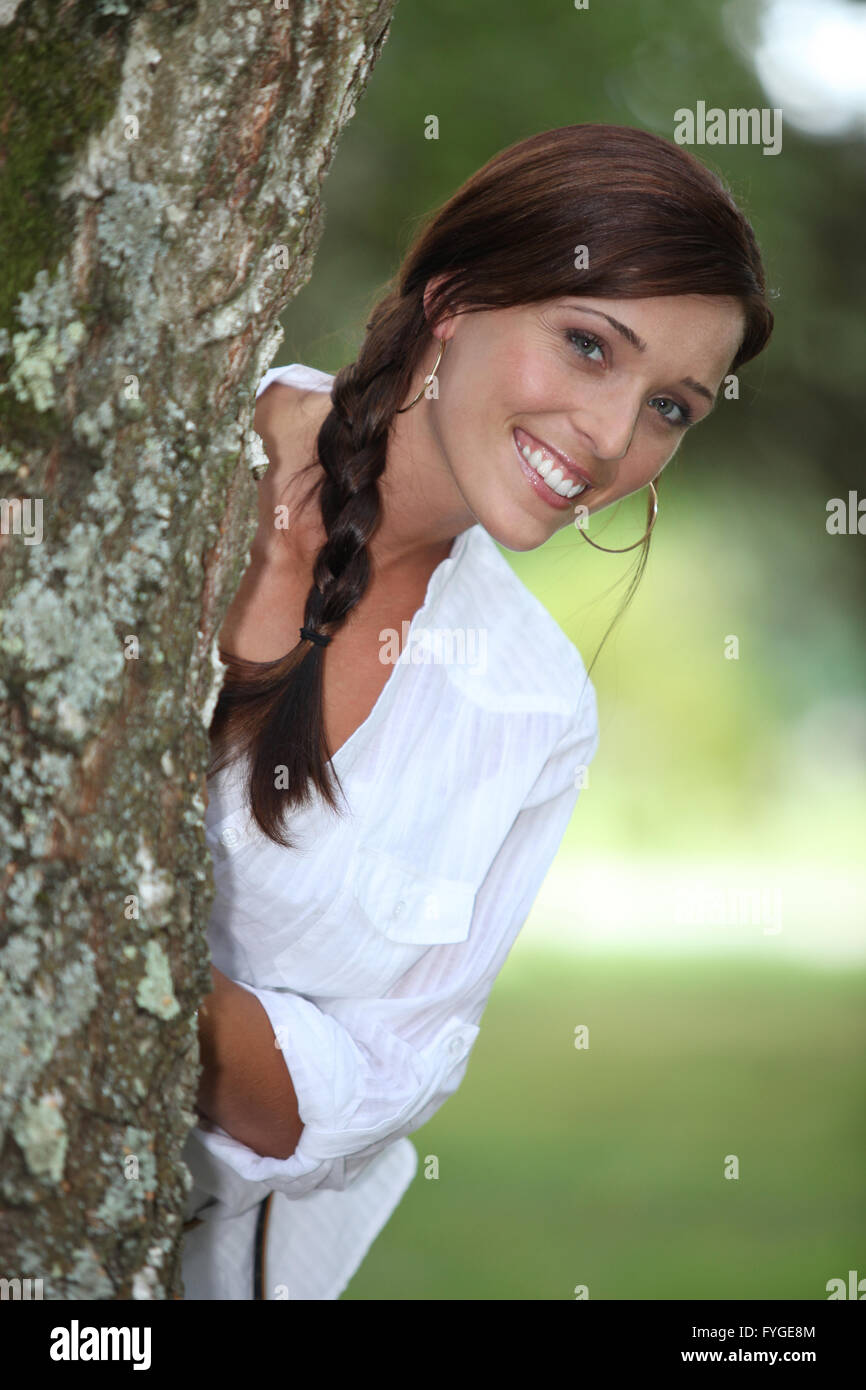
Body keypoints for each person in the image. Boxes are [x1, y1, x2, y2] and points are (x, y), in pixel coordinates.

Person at [180, 123, 774, 1300]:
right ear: (453, 299)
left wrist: (121, 972)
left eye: (669, 408)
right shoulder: (180, 451)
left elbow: (382, 1084)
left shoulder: (530, 711)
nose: (610, 439)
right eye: (588, 346)